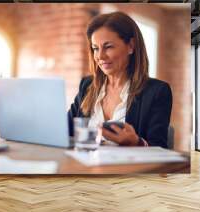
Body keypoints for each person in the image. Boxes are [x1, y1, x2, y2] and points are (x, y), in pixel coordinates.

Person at [68, 11, 172, 148]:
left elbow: (160, 149)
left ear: (131, 46)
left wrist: (136, 143)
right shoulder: (87, 85)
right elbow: (65, 131)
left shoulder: (157, 92)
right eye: (95, 48)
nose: (100, 56)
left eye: (108, 47)